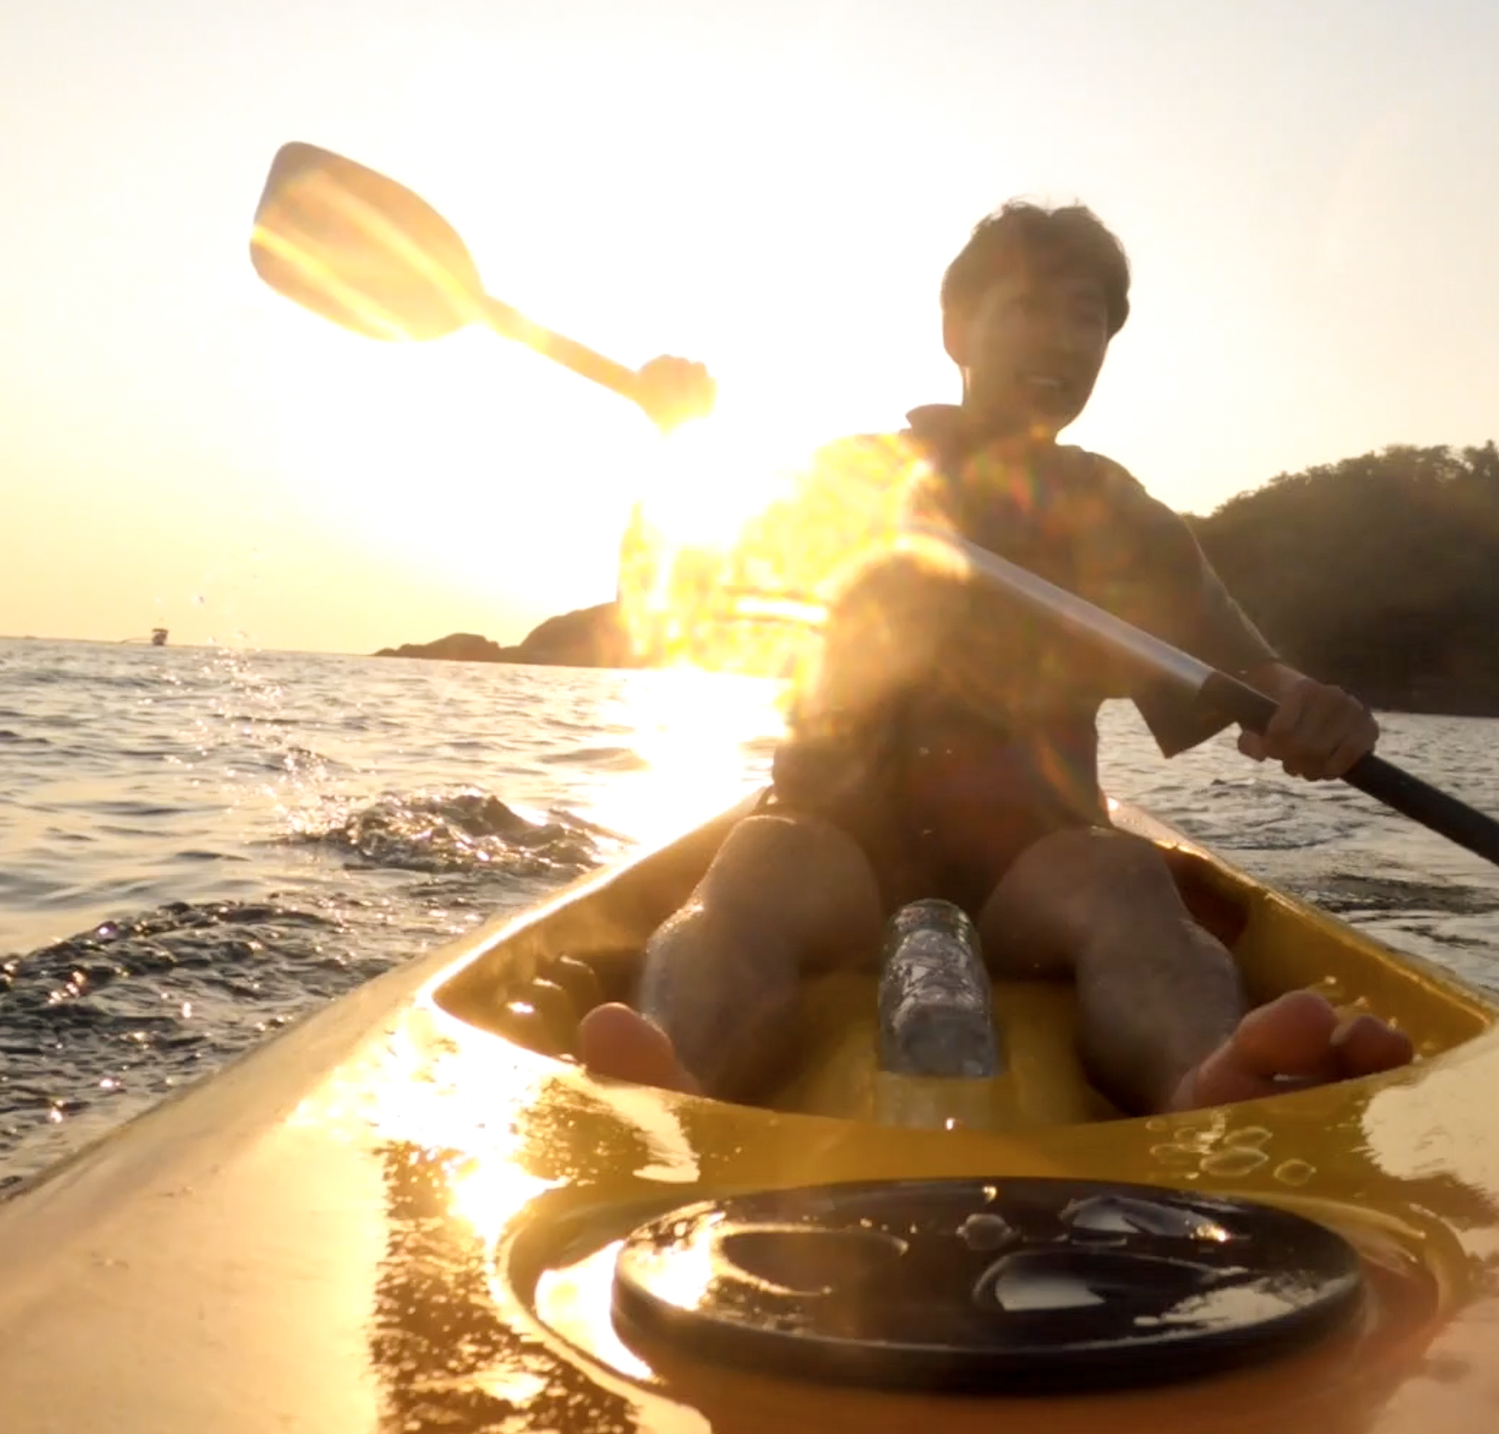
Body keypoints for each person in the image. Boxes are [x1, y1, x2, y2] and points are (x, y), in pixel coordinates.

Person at [579, 201, 1413, 1112]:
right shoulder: (849, 476)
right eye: (1026, 307)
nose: (1060, 339)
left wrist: (1313, 711)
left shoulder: (1119, 517)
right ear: (957, 332)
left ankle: (1209, 1078)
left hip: (1032, 866)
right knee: (759, 864)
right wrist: (680, 447)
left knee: (1126, 877)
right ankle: (671, 1069)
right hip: (834, 847)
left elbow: (1255, 680)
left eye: (1086, 318)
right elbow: (676, 592)